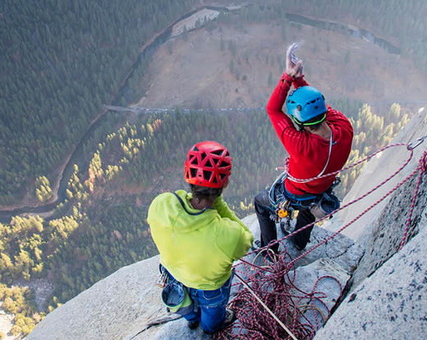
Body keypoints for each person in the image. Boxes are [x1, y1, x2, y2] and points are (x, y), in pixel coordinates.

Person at [254, 45, 354, 254]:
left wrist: (288, 78)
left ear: (299, 123)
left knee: (261, 203)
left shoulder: (301, 145)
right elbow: (316, 105)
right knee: (309, 208)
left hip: (294, 193)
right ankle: (299, 242)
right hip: (322, 189)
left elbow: (272, 109)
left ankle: (268, 250)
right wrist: (299, 80)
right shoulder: (344, 127)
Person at [147, 141, 253, 333]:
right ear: (225, 183)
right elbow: (246, 239)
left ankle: (191, 318)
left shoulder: (161, 205)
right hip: (210, 288)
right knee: (213, 316)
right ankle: (210, 329)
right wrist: (217, 202)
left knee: (184, 303)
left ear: (188, 176)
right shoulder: (229, 235)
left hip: (173, 273)